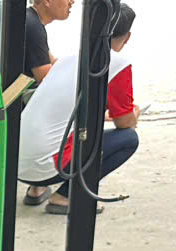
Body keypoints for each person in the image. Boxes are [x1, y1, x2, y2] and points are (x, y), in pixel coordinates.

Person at [19, 3, 139, 215]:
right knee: (128, 139)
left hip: (18, 164)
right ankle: (65, 196)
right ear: (127, 37)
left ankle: (37, 189)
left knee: (60, 129)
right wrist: (134, 114)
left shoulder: (67, 60)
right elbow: (125, 122)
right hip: (45, 167)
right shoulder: (117, 63)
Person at [25, 0, 74, 84]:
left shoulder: (31, 19)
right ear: (47, 1)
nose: (72, 2)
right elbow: (46, 80)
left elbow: (53, 63)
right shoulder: (34, 27)